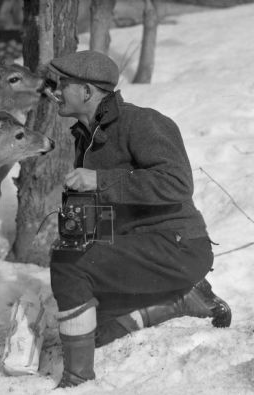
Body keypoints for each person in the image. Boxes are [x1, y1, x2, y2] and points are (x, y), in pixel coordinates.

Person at [41, 50, 231, 388]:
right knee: (93, 328)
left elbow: (177, 183)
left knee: (68, 266)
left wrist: (100, 181)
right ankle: (181, 300)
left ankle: (77, 380)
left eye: (63, 84)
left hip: (178, 247)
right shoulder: (85, 137)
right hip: (139, 249)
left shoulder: (142, 122)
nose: (55, 91)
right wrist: (77, 227)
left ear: (87, 91)